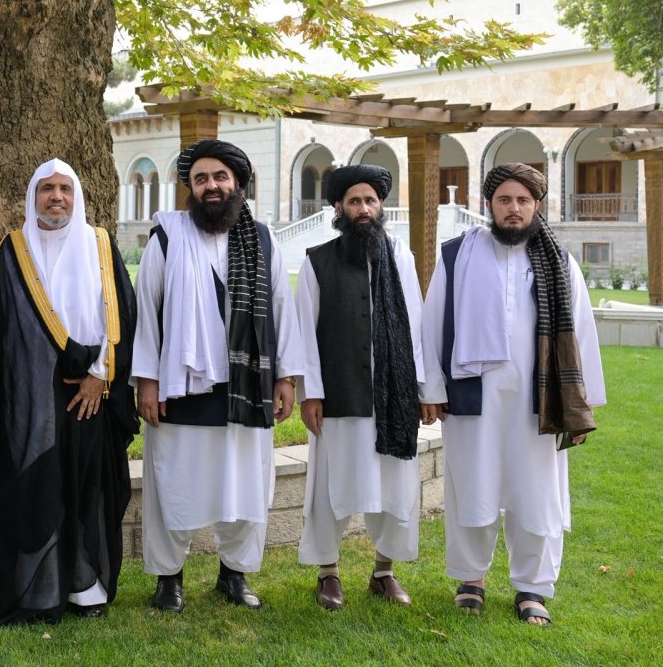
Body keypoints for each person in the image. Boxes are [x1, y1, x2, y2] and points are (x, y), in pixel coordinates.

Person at [422, 162, 604, 626]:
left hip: (538, 401)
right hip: (472, 397)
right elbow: (432, 325)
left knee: (536, 490)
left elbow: (580, 334)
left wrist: (578, 409)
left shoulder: (560, 262)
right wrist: (432, 388)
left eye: (523, 201)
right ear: (489, 204)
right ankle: (471, 580)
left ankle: (533, 587)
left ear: (537, 206)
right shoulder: (455, 255)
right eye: (504, 200)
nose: (514, 209)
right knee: (471, 487)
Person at [133, 138, 305, 613]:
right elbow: (146, 311)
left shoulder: (264, 238)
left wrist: (285, 377)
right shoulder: (166, 236)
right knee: (175, 482)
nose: (211, 186)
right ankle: (170, 578)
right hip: (182, 385)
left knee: (244, 482)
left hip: (246, 387)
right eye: (201, 178)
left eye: (220, 177)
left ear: (238, 184)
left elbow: (281, 311)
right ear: (189, 187)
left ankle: (235, 573)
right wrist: (147, 379)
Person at [0, 159, 138, 626]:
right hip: (31, 397)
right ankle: (38, 591)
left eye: (64, 188)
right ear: (33, 197)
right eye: (46, 189)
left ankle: (87, 590)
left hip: (90, 394)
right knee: (37, 490)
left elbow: (122, 313)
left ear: (76, 195)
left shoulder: (99, 244)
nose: (56, 197)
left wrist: (100, 375)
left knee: (89, 489)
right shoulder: (15, 248)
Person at [294, 165, 432, 610]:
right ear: (338, 208)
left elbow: (416, 327)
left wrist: (424, 389)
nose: (364, 209)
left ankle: (383, 571)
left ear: (381, 206)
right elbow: (304, 335)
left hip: (392, 397)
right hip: (339, 394)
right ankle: (328, 572)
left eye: (371, 201)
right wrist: (310, 392)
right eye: (354, 201)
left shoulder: (402, 259)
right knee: (331, 486)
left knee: (395, 485)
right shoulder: (317, 260)